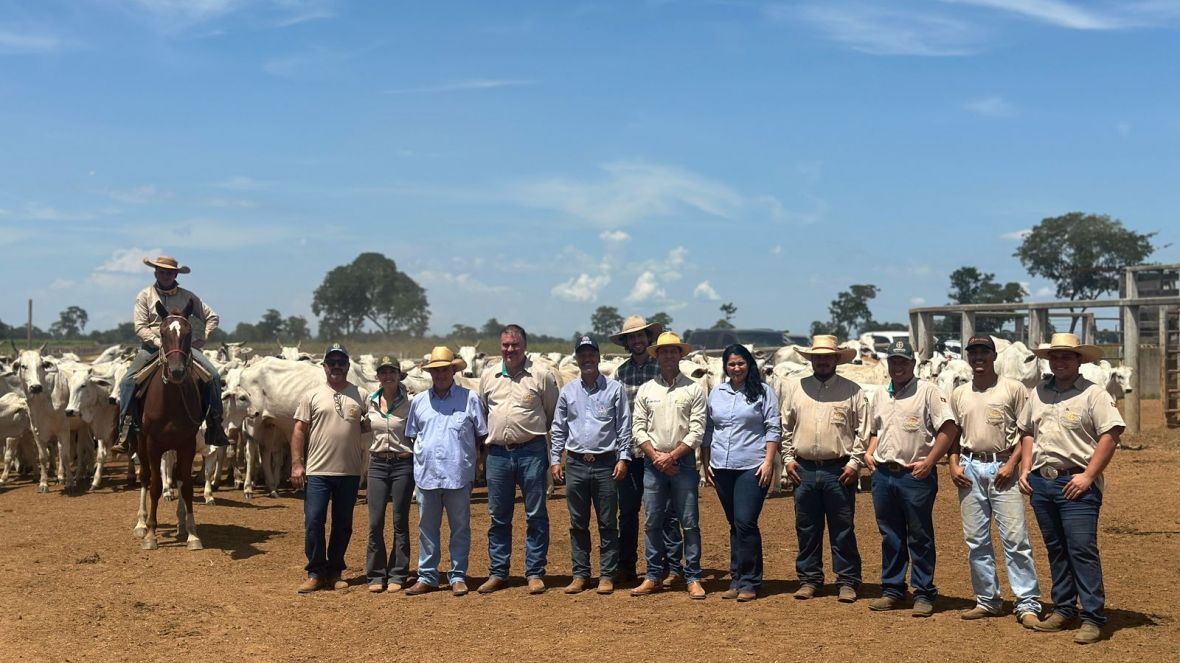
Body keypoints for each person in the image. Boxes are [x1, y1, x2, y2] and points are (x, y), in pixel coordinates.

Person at [1018, 333, 1125, 645]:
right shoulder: (1039, 392)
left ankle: (1092, 616)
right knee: (1057, 548)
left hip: (1075, 481)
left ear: (1079, 360)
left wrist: (1089, 476)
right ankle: (1064, 608)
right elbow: (1028, 432)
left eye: (1066, 356)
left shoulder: (1094, 394)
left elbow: (1111, 435)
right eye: (1055, 356)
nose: (1060, 361)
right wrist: (1026, 468)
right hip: (1042, 481)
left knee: (1081, 548)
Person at [948, 336, 1042, 627]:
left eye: (984, 352)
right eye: (973, 352)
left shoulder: (1013, 389)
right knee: (976, 540)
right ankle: (987, 599)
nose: (978, 357)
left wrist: (1012, 464)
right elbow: (953, 434)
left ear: (994, 355)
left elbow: (1026, 431)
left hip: (1003, 467)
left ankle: (1027, 603)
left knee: (1015, 539)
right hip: (969, 467)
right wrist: (953, 464)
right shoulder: (959, 393)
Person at [864, 338, 958, 616]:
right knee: (890, 534)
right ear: (888, 363)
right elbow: (875, 430)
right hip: (884, 474)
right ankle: (893, 589)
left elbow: (949, 429)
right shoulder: (881, 395)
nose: (898, 366)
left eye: (903, 361)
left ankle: (924, 592)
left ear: (913, 363)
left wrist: (930, 461)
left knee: (919, 535)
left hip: (915, 475)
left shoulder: (929, 392)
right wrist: (869, 452)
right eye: (893, 361)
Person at [780, 335, 868, 604]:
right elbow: (785, 427)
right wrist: (787, 458)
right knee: (806, 527)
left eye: (827, 357)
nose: (822, 361)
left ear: (836, 359)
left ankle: (847, 581)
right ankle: (809, 579)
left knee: (843, 527)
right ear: (811, 360)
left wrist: (854, 463)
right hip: (803, 468)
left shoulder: (853, 391)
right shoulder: (796, 389)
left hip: (839, 469)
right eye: (817, 357)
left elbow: (863, 431)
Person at [115, 255, 228, 452]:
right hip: (152, 347)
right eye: (162, 272)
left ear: (176, 275)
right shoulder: (145, 296)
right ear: (155, 273)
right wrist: (160, 342)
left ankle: (215, 425)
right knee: (127, 381)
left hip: (183, 348)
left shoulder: (188, 296)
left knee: (214, 377)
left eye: (169, 272)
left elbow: (212, 317)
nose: (165, 275)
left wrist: (203, 337)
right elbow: (140, 327)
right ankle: (125, 430)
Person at [477, 324, 559, 595]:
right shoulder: (488, 376)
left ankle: (534, 572)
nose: (509, 349)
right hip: (498, 453)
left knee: (535, 513)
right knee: (498, 516)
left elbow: (551, 413)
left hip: (531, 451)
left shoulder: (541, 375)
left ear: (525, 346)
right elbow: (484, 411)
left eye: (515, 344)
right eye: (505, 345)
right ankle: (498, 572)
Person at [403, 346, 488, 597]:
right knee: (426, 529)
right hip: (427, 474)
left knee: (460, 528)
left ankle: (458, 575)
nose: (440, 375)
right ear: (430, 373)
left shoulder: (470, 399)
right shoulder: (419, 401)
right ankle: (427, 576)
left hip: (457, 474)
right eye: (436, 370)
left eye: (444, 370)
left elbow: (481, 435)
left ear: (453, 370)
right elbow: (413, 435)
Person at [549, 335, 631, 595]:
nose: (587, 359)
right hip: (575, 462)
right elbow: (559, 427)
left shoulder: (614, 389)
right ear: (577, 358)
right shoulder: (568, 391)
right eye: (582, 354)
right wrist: (556, 459)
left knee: (607, 522)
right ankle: (580, 573)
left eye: (591, 354)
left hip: (606, 463)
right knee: (577, 522)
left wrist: (623, 457)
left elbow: (624, 426)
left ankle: (607, 574)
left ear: (598, 357)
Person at [630, 331, 707, 599]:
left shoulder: (694, 389)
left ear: (680, 355)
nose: (669, 355)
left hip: (682, 462)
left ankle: (693, 576)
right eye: (664, 351)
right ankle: (653, 575)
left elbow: (697, 431)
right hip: (653, 463)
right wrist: (657, 457)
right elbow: (638, 428)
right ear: (657, 356)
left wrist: (671, 457)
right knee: (652, 520)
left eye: (673, 351)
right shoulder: (646, 390)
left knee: (689, 522)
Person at [291, 343, 371, 593]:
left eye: (341, 362)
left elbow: (375, 421)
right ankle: (315, 572)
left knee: (343, 523)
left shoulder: (361, 395)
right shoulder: (311, 395)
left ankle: (335, 571)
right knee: (314, 520)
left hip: (349, 471)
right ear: (324, 366)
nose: (336, 366)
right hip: (318, 471)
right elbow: (299, 429)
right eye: (332, 362)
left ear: (348, 366)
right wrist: (297, 464)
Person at [702, 344, 780, 602]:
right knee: (735, 524)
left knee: (746, 522)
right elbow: (709, 429)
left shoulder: (764, 392)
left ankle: (750, 580)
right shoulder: (717, 393)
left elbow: (773, 428)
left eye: (741, 363)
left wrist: (768, 462)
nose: (736, 368)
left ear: (749, 364)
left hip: (752, 465)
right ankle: (736, 577)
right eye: (731, 364)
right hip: (721, 466)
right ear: (725, 367)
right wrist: (706, 462)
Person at [610, 315, 683, 587]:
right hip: (630, 453)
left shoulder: (662, 368)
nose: (637, 340)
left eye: (641, 335)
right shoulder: (620, 373)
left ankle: (671, 566)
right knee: (628, 512)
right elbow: (617, 415)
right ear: (627, 342)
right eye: (632, 337)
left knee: (666, 512)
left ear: (648, 339)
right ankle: (627, 566)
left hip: (659, 453)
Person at [363, 355, 415, 593]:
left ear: (399, 375)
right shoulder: (370, 401)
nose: (388, 376)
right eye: (383, 372)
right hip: (377, 464)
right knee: (375, 522)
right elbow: (360, 424)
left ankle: (398, 573)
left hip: (402, 464)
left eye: (392, 371)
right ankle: (376, 574)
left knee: (399, 521)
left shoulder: (411, 402)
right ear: (378, 376)